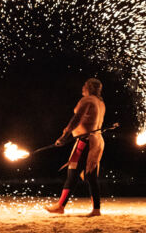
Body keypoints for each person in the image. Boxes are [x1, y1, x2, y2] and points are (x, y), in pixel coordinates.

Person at [45, 78, 106, 217]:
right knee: (90, 175)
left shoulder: (87, 100)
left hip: (85, 141)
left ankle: (60, 206)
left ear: (89, 87)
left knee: (73, 172)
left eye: (85, 85)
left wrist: (64, 136)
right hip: (97, 140)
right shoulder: (100, 103)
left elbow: (76, 119)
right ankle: (96, 209)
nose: (82, 87)